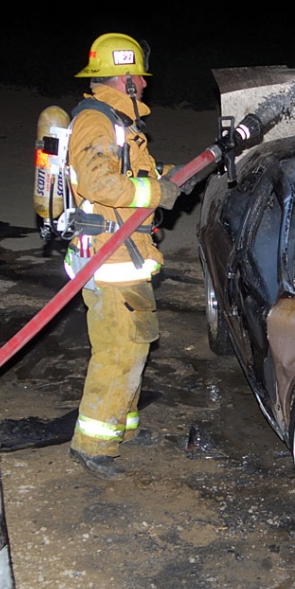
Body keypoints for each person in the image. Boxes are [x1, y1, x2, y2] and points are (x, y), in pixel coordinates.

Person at [66, 33, 182, 479]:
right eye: (140, 77)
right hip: (108, 255)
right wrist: (155, 191)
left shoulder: (119, 122)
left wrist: (168, 179)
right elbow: (100, 183)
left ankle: (122, 429)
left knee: (134, 342)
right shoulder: (97, 123)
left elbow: (134, 174)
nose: (146, 86)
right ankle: (92, 444)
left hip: (124, 254)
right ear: (127, 78)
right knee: (119, 350)